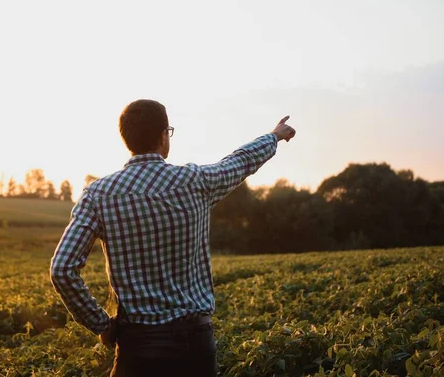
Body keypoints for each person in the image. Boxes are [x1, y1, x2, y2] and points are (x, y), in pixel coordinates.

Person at [50, 99, 296, 377]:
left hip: (138, 348)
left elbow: (62, 269)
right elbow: (239, 162)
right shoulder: (195, 181)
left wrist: (101, 325)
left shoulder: (98, 195)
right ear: (163, 136)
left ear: (127, 139)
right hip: (195, 345)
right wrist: (274, 136)